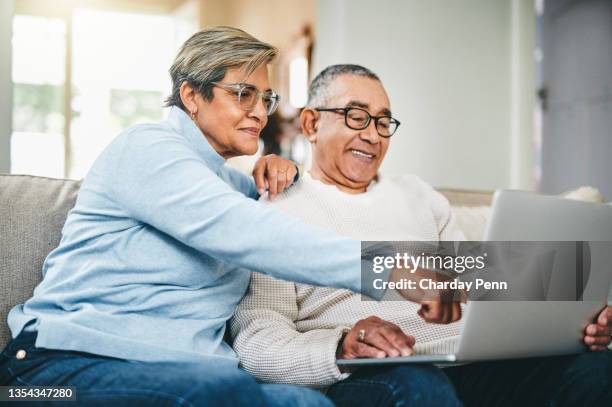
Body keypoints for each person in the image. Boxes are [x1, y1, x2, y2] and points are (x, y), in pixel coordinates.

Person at [0, 28, 456, 406]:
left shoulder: (238, 186)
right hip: (53, 371)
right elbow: (247, 233)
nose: (260, 112)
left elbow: (256, 209)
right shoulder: (147, 149)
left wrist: (283, 170)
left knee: (308, 403)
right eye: (242, 94)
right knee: (218, 393)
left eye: (266, 98)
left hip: (191, 372)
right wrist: (386, 267)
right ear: (191, 95)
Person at [230, 64, 612, 406]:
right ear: (312, 124)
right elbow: (256, 339)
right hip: (378, 376)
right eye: (357, 117)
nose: (373, 136)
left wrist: (571, 323)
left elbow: (481, 285)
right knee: (419, 388)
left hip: (469, 365)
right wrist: (341, 345)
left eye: (383, 122)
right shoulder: (278, 206)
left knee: (597, 369)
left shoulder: (419, 196)